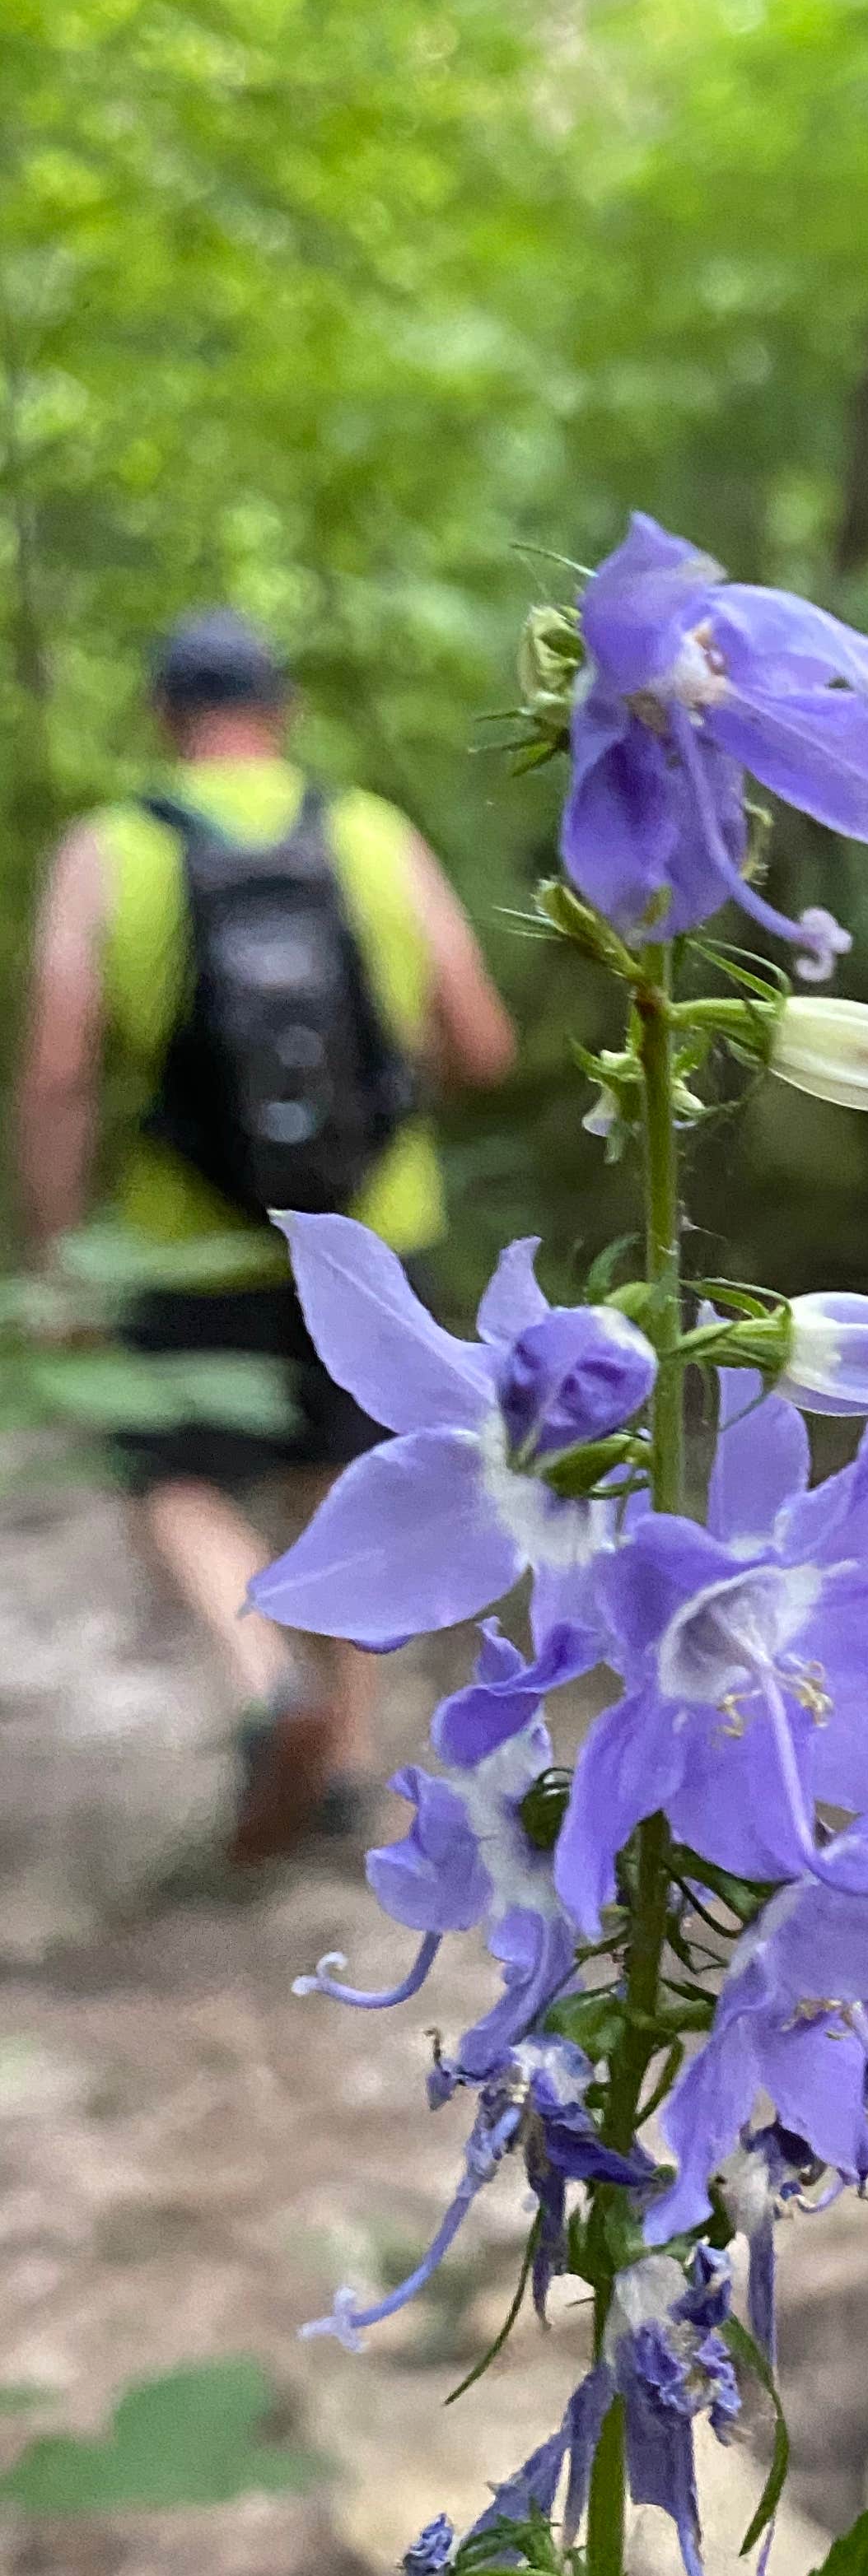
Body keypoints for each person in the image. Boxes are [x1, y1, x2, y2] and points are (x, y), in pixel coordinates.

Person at [12, 609, 518, 1866]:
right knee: (351, 1487)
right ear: (281, 709)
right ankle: (340, 1757)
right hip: (374, 1239)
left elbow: (62, 1065)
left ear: (163, 717)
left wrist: (60, 1246)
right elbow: (483, 1044)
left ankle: (258, 1677)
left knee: (170, 1477)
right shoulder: (370, 832)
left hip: (193, 1241)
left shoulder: (109, 851)